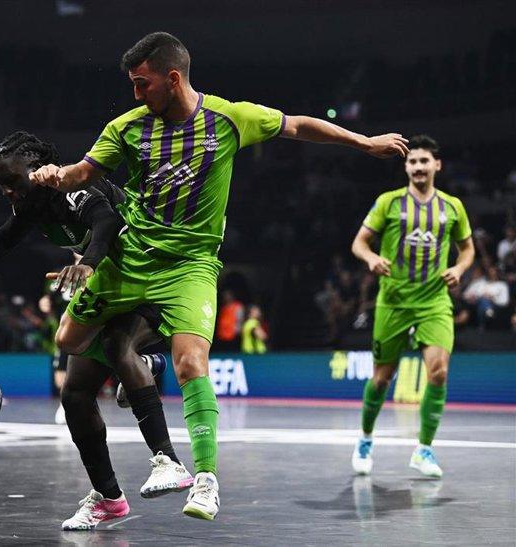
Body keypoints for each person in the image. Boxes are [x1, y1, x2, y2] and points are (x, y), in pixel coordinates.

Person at [30, 31, 408, 520]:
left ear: (173, 78)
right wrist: (55, 174)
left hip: (191, 267)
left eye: (143, 84)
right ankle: (145, 363)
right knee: (69, 338)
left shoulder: (230, 118)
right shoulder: (127, 127)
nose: (136, 94)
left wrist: (363, 141)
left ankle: (204, 480)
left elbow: (298, 126)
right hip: (131, 257)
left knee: (192, 363)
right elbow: (84, 172)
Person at [0, 131, 191, 531]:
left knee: (115, 345)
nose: (6, 191)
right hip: (111, 284)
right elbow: (2, 241)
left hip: (154, 275)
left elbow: (105, 221)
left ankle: (169, 462)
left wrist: (89, 262)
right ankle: (109, 498)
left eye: (11, 181)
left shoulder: (73, 184)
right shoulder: (32, 207)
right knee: (75, 394)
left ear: (38, 170)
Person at [350, 135, 474, 478]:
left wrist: (460, 269)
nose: (418, 167)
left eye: (424, 161)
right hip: (393, 301)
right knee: (380, 379)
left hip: (434, 301)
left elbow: (467, 249)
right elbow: (359, 244)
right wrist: (372, 258)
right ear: (406, 167)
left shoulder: (453, 207)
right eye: (412, 162)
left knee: (439, 372)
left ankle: (424, 450)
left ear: (437, 165)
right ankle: (365, 438)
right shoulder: (388, 203)